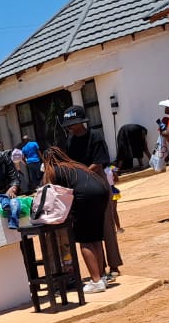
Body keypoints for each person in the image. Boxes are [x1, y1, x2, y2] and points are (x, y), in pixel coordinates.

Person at [60, 106, 123, 282]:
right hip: (80, 186)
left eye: (73, 124)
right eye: (68, 125)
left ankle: (114, 265)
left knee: (106, 225)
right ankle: (100, 269)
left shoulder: (95, 136)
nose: (70, 127)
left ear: (82, 122)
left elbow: (99, 162)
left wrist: (81, 175)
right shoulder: (70, 140)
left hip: (98, 182)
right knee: (91, 229)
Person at [39, 146, 113, 294]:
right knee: (96, 238)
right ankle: (101, 277)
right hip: (102, 191)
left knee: (85, 241)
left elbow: (50, 194)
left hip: (85, 196)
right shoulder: (75, 166)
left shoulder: (53, 170)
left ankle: (96, 281)